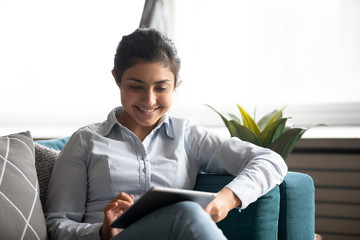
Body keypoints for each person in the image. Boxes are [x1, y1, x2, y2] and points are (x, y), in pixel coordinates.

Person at [44, 28, 288, 240]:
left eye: (161, 88)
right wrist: (102, 232)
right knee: (187, 213)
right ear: (117, 79)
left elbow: (270, 160)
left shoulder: (187, 135)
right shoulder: (87, 141)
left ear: (175, 84)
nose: (149, 100)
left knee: (187, 215)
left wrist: (226, 199)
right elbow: (57, 226)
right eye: (135, 87)